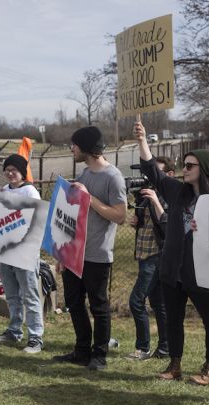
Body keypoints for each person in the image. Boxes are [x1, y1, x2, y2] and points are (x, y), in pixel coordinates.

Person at [134, 120, 209, 386]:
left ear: (204, 169)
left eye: (189, 166)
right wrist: (142, 141)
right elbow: (155, 173)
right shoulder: (176, 192)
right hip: (173, 270)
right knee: (173, 319)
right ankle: (175, 364)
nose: (183, 169)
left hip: (204, 272)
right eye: (183, 165)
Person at [52, 126, 127, 371]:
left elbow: (120, 215)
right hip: (74, 253)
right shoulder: (83, 175)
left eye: (74, 145)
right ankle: (81, 351)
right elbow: (72, 216)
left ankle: (100, 355)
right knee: (74, 303)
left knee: (98, 305)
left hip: (97, 253)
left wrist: (89, 197)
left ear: (85, 147)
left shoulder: (113, 177)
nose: (71, 149)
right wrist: (61, 253)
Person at [0, 154, 45, 354]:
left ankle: (36, 337)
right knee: (12, 295)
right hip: (6, 250)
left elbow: (36, 218)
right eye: (7, 169)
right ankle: (14, 331)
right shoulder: (3, 190)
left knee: (30, 295)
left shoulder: (30, 191)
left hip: (25, 251)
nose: (10, 173)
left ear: (22, 172)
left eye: (15, 169)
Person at [125, 156, 173, 361]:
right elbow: (147, 224)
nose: (151, 179)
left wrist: (154, 199)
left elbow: (166, 226)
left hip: (156, 256)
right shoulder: (144, 196)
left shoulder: (168, 197)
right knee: (158, 304)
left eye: (157, 174)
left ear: (169, 175)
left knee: (136, 301)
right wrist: (137, 221)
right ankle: (164, 348)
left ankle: (142, 347)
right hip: (144, 255)